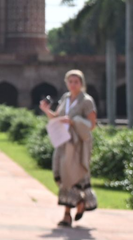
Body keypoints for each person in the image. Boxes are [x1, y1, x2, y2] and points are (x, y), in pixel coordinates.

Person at [39, 69, 97, 227]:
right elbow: (58, 118)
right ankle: (79, 202)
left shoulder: (86, 101)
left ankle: (66, 215)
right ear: (66, 83)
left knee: (73, 176)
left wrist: (73, 122)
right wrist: (46, 110)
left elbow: (92, 125)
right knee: (60, 174)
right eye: (70, 81)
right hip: (63, 142)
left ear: (81, 83)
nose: (73, 85)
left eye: (76, 82)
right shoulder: (65, 98)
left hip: (78, 145)